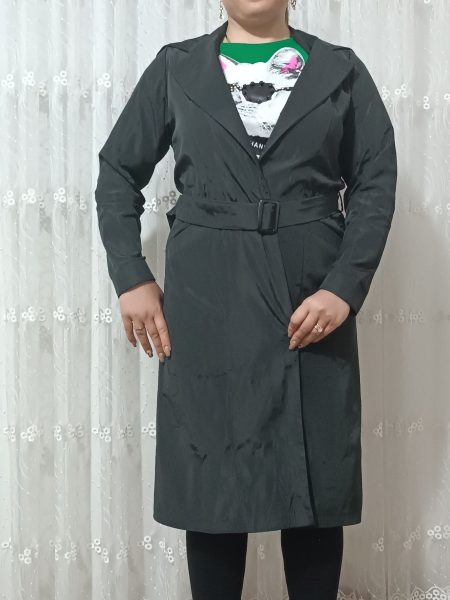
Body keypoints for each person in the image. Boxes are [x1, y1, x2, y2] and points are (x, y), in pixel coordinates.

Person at [94, 0, 397, 598]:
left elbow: (375, 181)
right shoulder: (177, 68)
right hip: (208, 296)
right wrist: (131, 275)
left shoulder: (339, 69)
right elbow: (117, 173)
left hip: (310, 294)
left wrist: (343, 286)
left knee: (315, 478)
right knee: (213, 477)